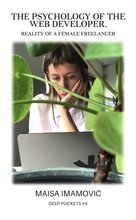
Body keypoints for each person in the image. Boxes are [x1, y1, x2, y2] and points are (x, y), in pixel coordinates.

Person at [29, 43, 91, 133]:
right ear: (48, 76)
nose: (63, 86)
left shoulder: (93, 110)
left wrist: (64, 110)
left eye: (71, 77)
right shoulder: (39, 104)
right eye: (56, 78)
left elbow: (79, 147)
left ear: (83, 74)